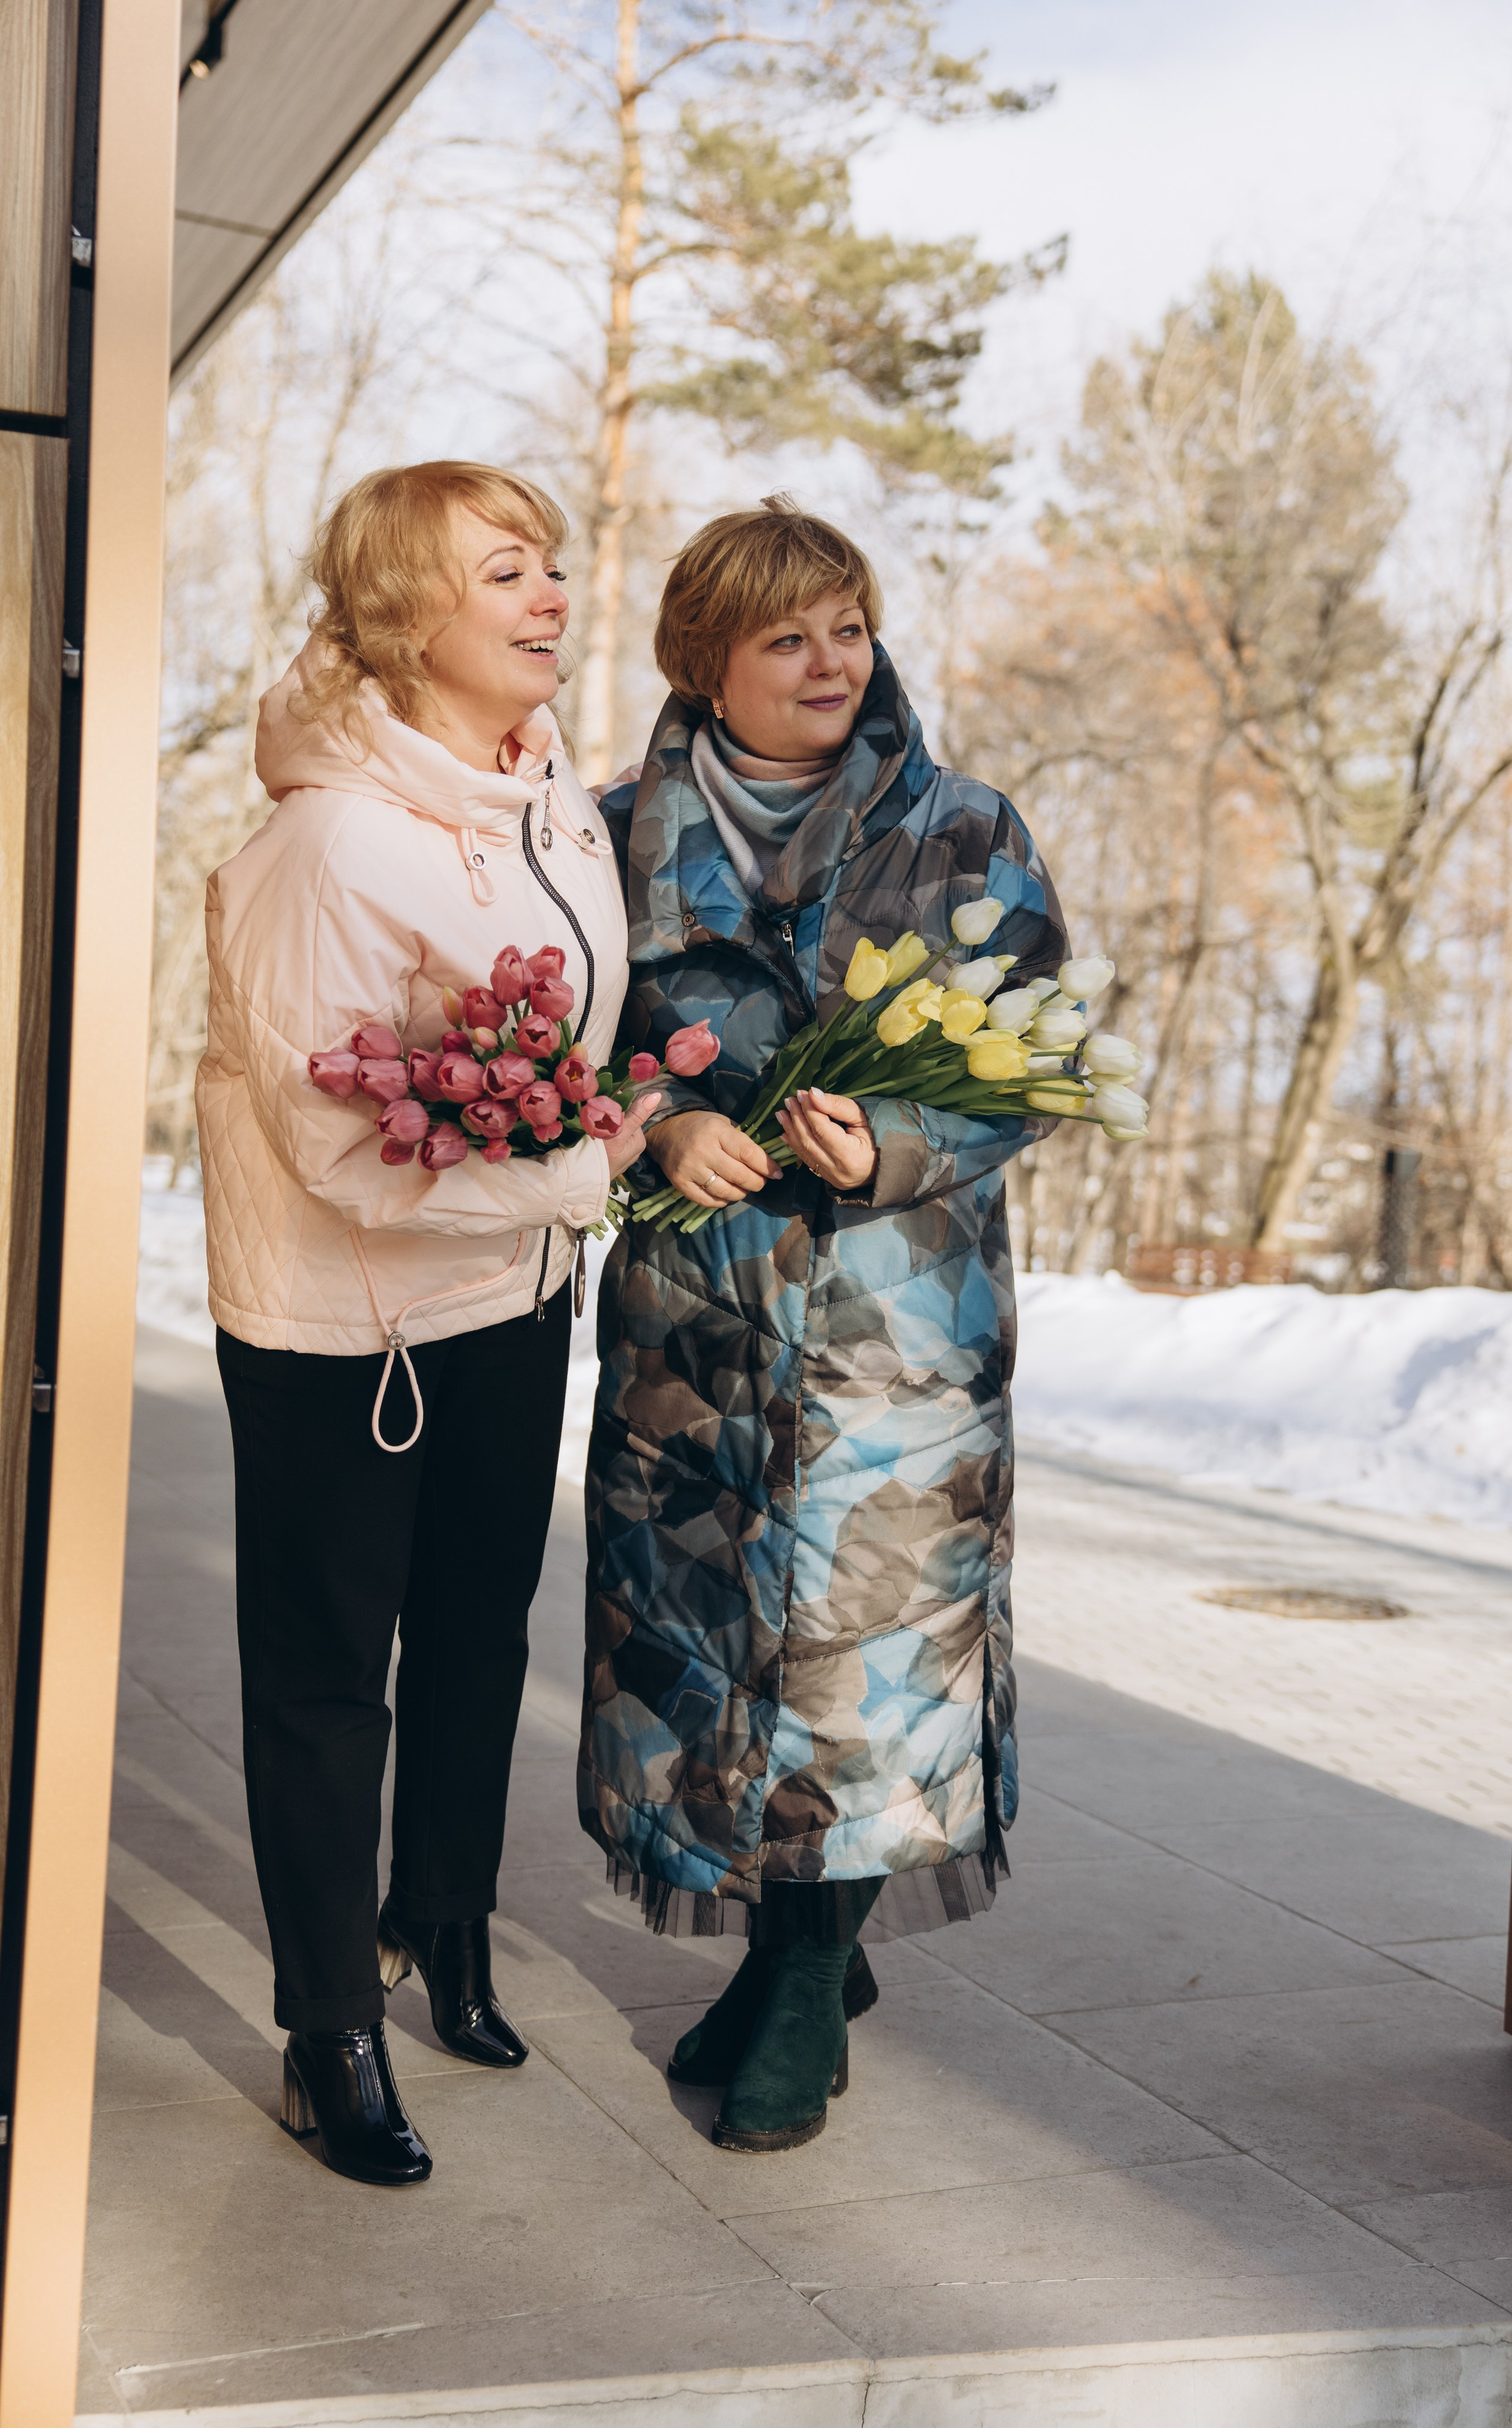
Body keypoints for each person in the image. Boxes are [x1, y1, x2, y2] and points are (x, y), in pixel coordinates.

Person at [579, 496, 1068, 2152]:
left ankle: (799, 1992)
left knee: (865, 1683)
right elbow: (566, 1052)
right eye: (786, 635)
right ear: (702, 661)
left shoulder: (963, 830)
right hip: (695, 1343)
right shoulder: (610, 833)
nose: (829, 660)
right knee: (718, 1673)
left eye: (847, 625)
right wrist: (651, 1119)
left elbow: (1031, 1069)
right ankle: (802, 1955)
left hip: (897, 1339)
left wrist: (904, 1143)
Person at [198, 461, 659, 2187]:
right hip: (346, 1324)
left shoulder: (559, 808)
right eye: (507, 573)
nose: (552, 596)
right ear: (407, 616)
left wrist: (580, 1159)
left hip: (514, 1295)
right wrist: (578, 1179)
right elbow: (334, 1144)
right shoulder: (324, 841)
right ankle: (330, 2031)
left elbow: (571, 1061)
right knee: (329, 1678)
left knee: (478, 1631)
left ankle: (445, 1926)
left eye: (552, 566)